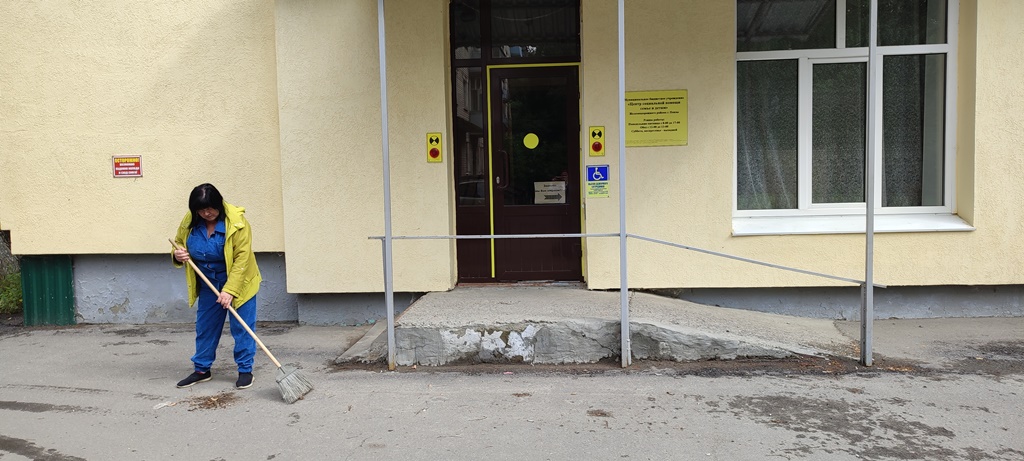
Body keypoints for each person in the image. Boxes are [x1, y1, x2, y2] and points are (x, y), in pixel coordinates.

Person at [172, 183, 262, 389]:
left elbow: (242, 259)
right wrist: (178, 255)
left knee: (242, 328)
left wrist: (230, 290)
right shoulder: (190, 221)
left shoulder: (237, 223)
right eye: (201, 210)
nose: (206, 213)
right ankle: (201, 370)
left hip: (240, 282)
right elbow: (179, 243)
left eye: (210, 208)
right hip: (208, 283)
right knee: (206, 327)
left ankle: (245, 370)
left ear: (219, 204)